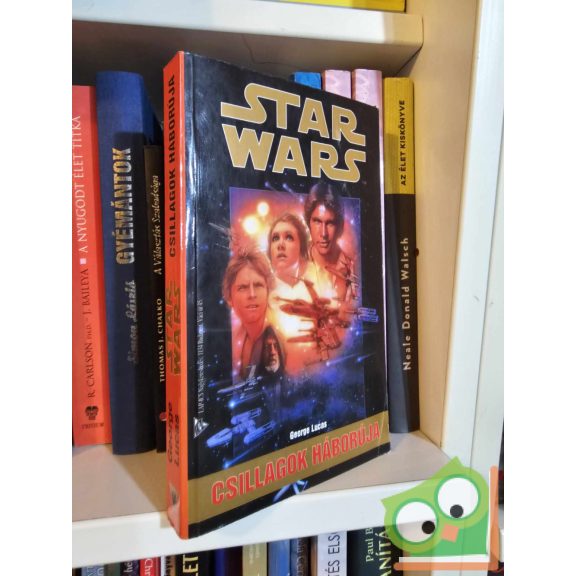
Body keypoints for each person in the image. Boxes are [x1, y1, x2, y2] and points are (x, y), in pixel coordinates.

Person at [222, 248, 276, 380]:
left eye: (258, 285)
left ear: (268, 291)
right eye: (243, 287)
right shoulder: (233, 338)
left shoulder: (278, 337)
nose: (252, 294)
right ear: (229, 298)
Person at [304, 182, 356, 302]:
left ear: (339, 227)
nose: (323, 233)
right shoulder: (296, 258)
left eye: (330, 223)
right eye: (317, 221)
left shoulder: (351, 269)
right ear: (308, 223)